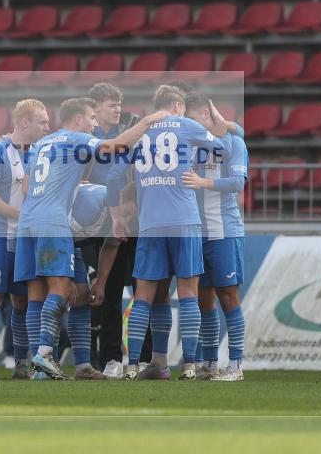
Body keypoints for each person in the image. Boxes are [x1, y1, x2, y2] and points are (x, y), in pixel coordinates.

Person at [15, 97, 169, 380]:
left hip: (28, 222)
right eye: (92, 119)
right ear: (78, 120)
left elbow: (26, 185)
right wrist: (147, 122)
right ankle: (45, 356)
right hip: (53, 222)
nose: (95, 125)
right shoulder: (76, 138)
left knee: (42, 294)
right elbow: (116, 147)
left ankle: (64, 365)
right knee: (59, 290)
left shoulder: (40, 144)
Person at [107, 86, 234, 381]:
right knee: (188, 293)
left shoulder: (139, 131)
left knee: (145, 296)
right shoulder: (187, 125)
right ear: (178, 106)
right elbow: (223, 149)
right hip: (184, 221)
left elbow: (114, 177)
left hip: (150, 223)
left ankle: (133, 365)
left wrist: (117, 216)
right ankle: (190, 365)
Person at [0, 99, 50, 380]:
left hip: (24, 241)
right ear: (25, 122)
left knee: (21, 302)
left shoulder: (40, 151)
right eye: (42, 122)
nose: (47, 127)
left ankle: (21, 363)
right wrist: (18, 214)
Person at [182, 93, 249, 382]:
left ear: (208, 116)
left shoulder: (234, 143)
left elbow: (237, 183)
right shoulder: (187, 145)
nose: (189, 124)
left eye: (193, 118)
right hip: (196, 233)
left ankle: (235, 365)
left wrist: (204, 182)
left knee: (228, 296)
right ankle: (210, 363)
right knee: (203, 299)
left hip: (224, 232)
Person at [82, 83, 147, 376]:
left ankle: (143, 358)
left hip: (134, 221)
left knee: (143, 289)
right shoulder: (87, 139)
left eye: (119, 102)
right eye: (111, 104)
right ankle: (111, 359)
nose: (117, 108)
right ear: (94, 108)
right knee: (108, 290)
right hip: (102, 224)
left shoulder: (132, 132)